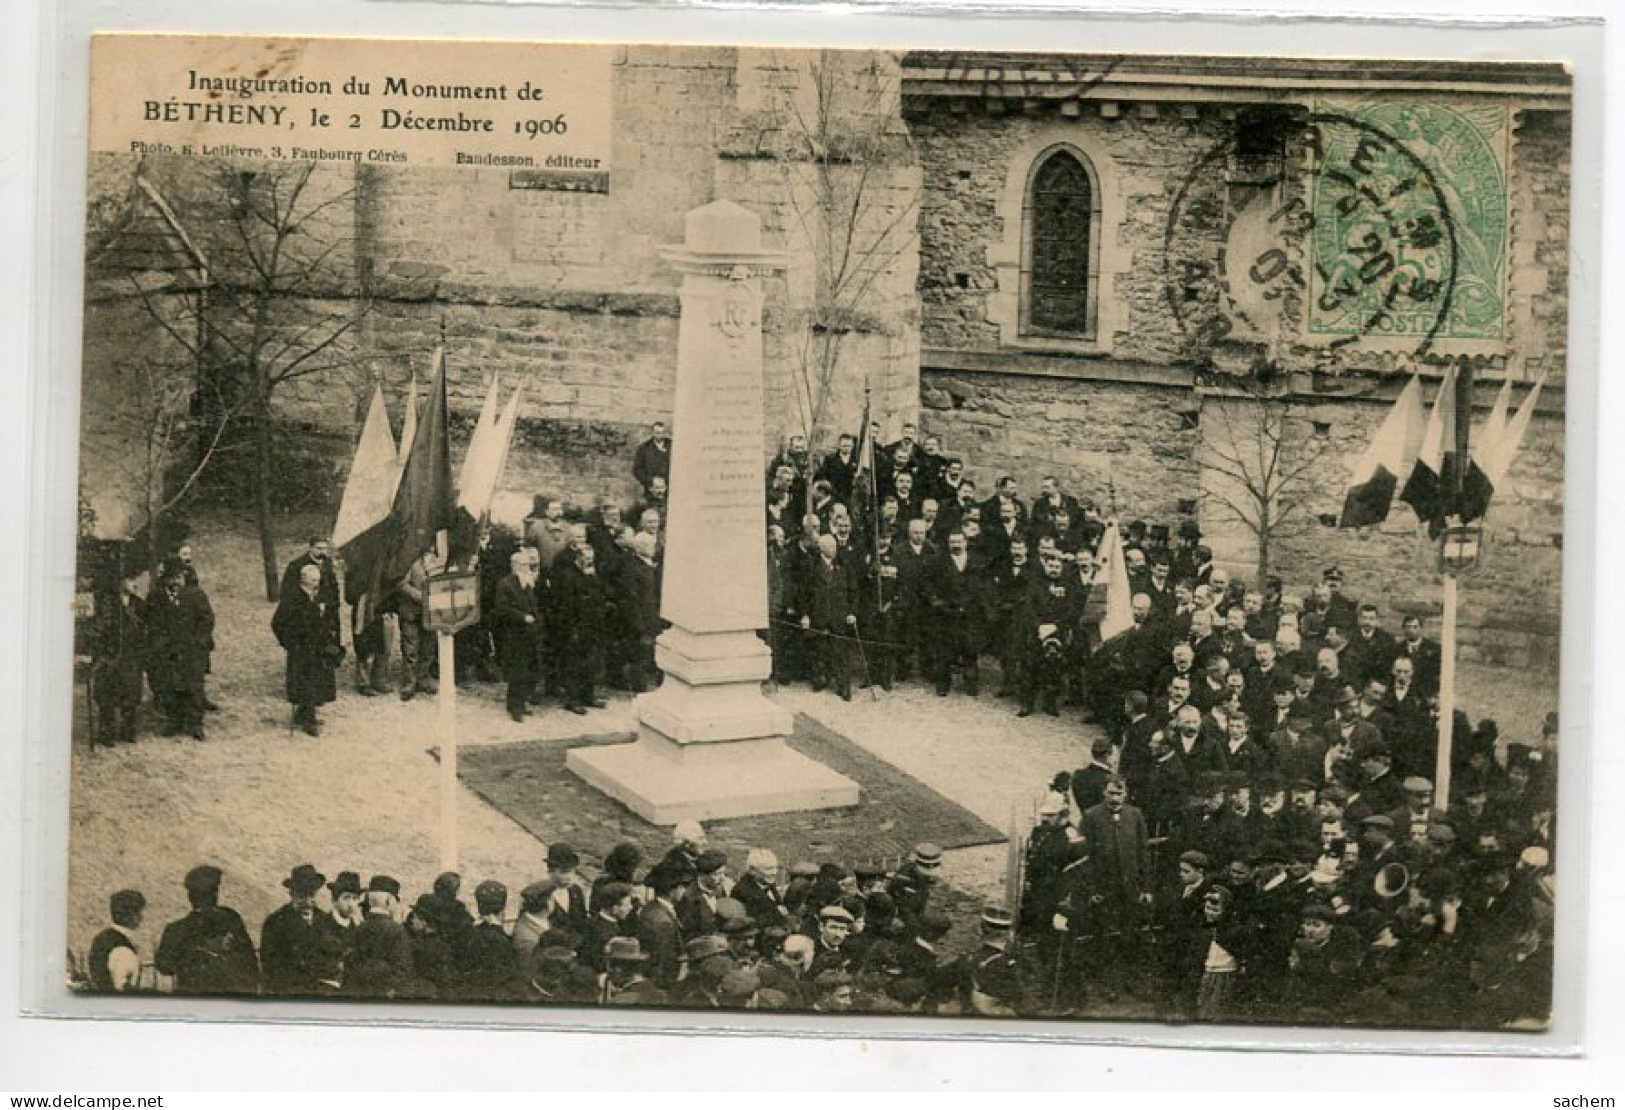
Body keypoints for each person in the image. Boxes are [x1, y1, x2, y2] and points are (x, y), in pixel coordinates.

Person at [154, 865, 259, 996]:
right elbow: (250, 963)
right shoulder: (230, 919)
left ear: (190, 896)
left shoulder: (176, 929)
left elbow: (164, 966)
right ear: (215, 893)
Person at [143, 560, 215, 741]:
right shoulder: (155, 597)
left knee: (193, 686)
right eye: (171, 578)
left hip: (191, 650)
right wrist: (159, 644)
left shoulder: (196, 595)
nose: (176, 582)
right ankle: (173, 721)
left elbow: (207, 620)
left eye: (179, 577)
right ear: (164, 579)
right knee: (170, 686)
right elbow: (150, 622)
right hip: (167, 651)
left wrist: (199, 641)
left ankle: (195, 723)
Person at [270, 563, 344, 737]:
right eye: (312, 580)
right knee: (304, 682)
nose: (316, 583)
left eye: (318, 580)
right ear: (303, 580)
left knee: (316, 682)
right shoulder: (292, 599)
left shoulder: (319, 596)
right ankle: (308, 720)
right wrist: (289, 643)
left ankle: (303, 713)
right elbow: (277, 623)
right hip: (301, 650)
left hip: (318, 649)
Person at [260, 864, 342, 996]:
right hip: (289, 993)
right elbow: (269, 967)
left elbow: (333, 958)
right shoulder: (275, 922)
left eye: (311, 894)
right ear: (292, 893)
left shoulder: (326, 921)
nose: (308, 901)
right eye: (302, 895)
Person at [551, 542, 611, 714]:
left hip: (592, 626)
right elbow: (566, 605)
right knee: (574, 665)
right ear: (577, 558)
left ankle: (588, 696)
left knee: (590, 663)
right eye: (586, 558)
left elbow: (599, 597)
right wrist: (572, 629)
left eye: (592, 558)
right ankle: (573, 699)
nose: (590, 561)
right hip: (575, 627)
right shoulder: (568, 576)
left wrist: (591, 579)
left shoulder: (592, 574)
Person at [90, 566, 147, 746]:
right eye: (130, 580)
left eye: (135, 580)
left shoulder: (139, 605)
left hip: (131, 657)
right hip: (110, 656)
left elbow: (146, 630)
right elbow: (98, 630)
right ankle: (106, 734)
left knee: (130, 695)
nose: (134, 584)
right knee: (107, 695)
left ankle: (128, 731)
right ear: (120, 583)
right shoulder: (107, 605)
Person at [492, 551, 544, 722]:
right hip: (514, 635)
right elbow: (502, 609)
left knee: (529, 670)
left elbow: (535, 606)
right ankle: (515, 707)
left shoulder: (528, 583)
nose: (526, 569)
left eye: (528, 566)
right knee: (517, 672)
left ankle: (521, 702)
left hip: (529, 634)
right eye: (522, 565)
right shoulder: (505, 584)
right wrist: (522, 617)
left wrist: (537, 622)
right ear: (514, 566)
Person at [395, 546, 443, 701]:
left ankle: (423, 679)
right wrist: (421, 597)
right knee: (410, 649)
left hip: (430, 614)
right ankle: (409, 683)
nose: (430, 550)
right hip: (410, 612)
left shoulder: (439, 563)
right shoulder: (411, 562)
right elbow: (402, 584)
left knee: (428, 648)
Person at [88, 889, 146, 992]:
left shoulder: (102, 938)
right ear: (129, 915)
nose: (141, 917)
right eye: (139, 912)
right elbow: (122, 989)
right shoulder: (122, 948)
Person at [279, 536, 341, 609]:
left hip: (326, 608)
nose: (322, 552)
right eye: (319, 548)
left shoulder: (327, 563)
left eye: (325, 549)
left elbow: (333, 586)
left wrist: (332, 605)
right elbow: (288, 591)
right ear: (310, 548)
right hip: (303, 610)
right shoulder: (296, 565)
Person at [633, 420, 672, 498]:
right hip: (651, 489)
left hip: (670, 489)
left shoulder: (673, 446)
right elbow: (637, 469)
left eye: (663, 433)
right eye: (657, 433)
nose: (660, 435)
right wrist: (651, 481)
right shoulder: (644, 448)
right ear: (652, 433)